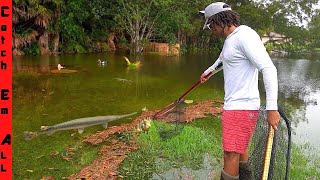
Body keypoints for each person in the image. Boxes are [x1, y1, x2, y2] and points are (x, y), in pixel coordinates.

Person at [199, 2, 280, 180]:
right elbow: (223, 60)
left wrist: (271, 108)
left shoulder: (245, 36)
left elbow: (268, 69)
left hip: (241, 107)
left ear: (219, 21)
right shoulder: (231, 39)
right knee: (240, 148)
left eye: (211, 25)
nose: (211, 30)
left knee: (230, 154)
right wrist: (208, 72)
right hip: (237, 105)